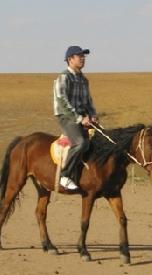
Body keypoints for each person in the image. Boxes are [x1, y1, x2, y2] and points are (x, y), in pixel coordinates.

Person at [53, 46, 98, 190]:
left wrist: (92, 115)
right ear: (70, 59)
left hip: (82, 116)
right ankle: (65, 176)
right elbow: (62, 100)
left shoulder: (84, 80)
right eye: (80, 56)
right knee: (80, 143)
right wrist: (79, 118)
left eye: (84, 56)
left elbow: (88, 101)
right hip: (66, 116)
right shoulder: (64, 77)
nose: (83, 59)